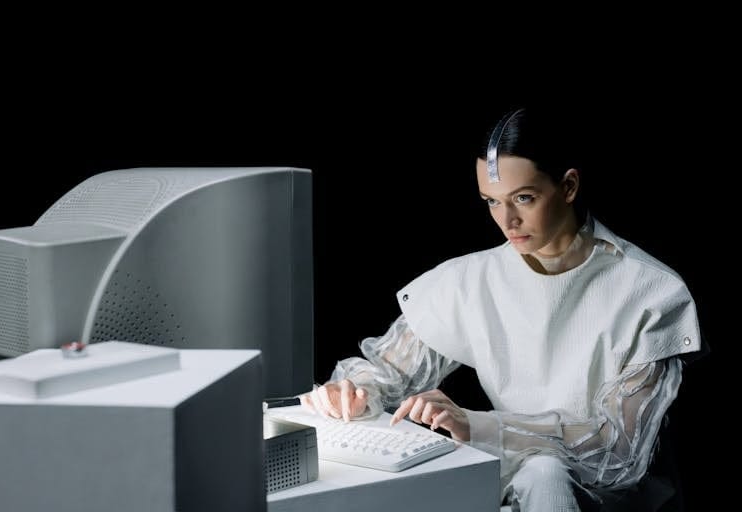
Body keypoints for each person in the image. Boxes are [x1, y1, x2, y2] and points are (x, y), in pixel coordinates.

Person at [300, 106, 702, 511]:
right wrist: (353, 392)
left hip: (613, 500)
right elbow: (388, 372)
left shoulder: (649, 290)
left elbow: (618, 451)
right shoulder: (473, 280)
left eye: (523, 199)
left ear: (568, 186)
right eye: (491, 201)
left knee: (544, 471)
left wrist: (477, 424)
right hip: (511, 477)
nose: (507, 220)